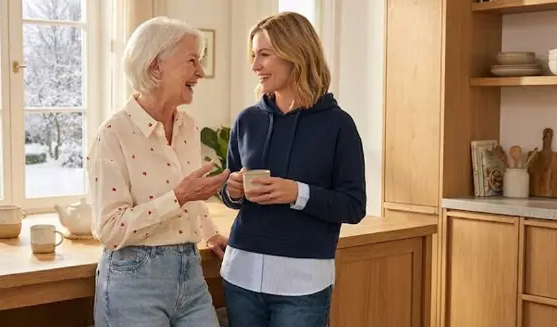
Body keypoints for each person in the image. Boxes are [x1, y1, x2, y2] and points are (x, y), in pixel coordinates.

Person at [218, 12, 368, 327]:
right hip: (242, 274)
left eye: (264, 54)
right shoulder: (248, 120)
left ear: (295, 54)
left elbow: (354, 206)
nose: (255, 65)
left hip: (303, 283)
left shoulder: (338, 125)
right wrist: (232, 189)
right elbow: (229, 191)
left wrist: (298, 193)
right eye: (253, 55)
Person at [86, 16, 230, 327]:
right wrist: (178, 197)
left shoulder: (188, 126)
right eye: (192, 61)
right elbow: (110, 230)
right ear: (155, 66)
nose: (200, 72)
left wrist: (210, 233)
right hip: (134, 281)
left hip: (189, 273)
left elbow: (190, 195)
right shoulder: (113, 134)